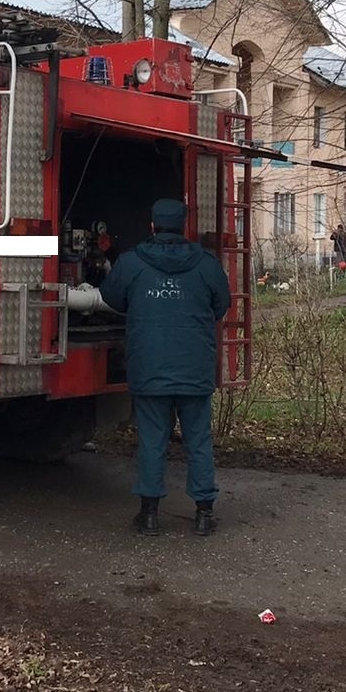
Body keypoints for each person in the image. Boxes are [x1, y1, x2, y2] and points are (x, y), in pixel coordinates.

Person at [100, 198, 231, 537]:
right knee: (198, 441)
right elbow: (222, 305)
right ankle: (203, 514)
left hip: (150, 367)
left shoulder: (131, 263)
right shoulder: (206, 264)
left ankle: (149, 515)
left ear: (152, 225)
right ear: (184, 225)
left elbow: (111, 298)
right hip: (195, 368)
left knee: (152, 440)